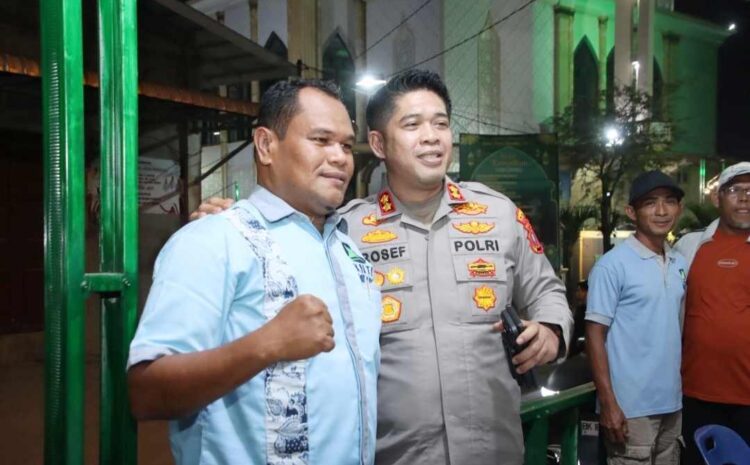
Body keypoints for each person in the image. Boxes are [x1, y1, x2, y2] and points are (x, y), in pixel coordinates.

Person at [193, 69, 573, 465]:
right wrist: (233, 222)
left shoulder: (498, 214)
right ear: (378, 143)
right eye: (412, 125)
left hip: (495, 452)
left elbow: (547, 291)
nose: (431, 136)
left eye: (440, 123)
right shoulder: (343, 231)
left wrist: (551, 331)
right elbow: (279, 244)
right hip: (395, 455)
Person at [127, 80, 381, 465]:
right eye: (321, 140)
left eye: (346, 146)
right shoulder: (213, 240)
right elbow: (145, 391)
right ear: (265, 145)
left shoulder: (349, 252)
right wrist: (266, 344)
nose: (340, 158)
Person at [585, 170, 686, 465]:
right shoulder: (612, 265)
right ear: (632, 212)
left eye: (669, 201)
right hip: (630, 408)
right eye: (650, 203)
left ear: (679, 208)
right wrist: (608, 403)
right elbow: (594, 335)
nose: (662, 211)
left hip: (672, 404)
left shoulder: (679, 261)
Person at [674, 161, 750, 465]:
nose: (744, 198)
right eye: (735, 190)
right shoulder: (689, 246)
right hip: (696, 393)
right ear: (717, 197)